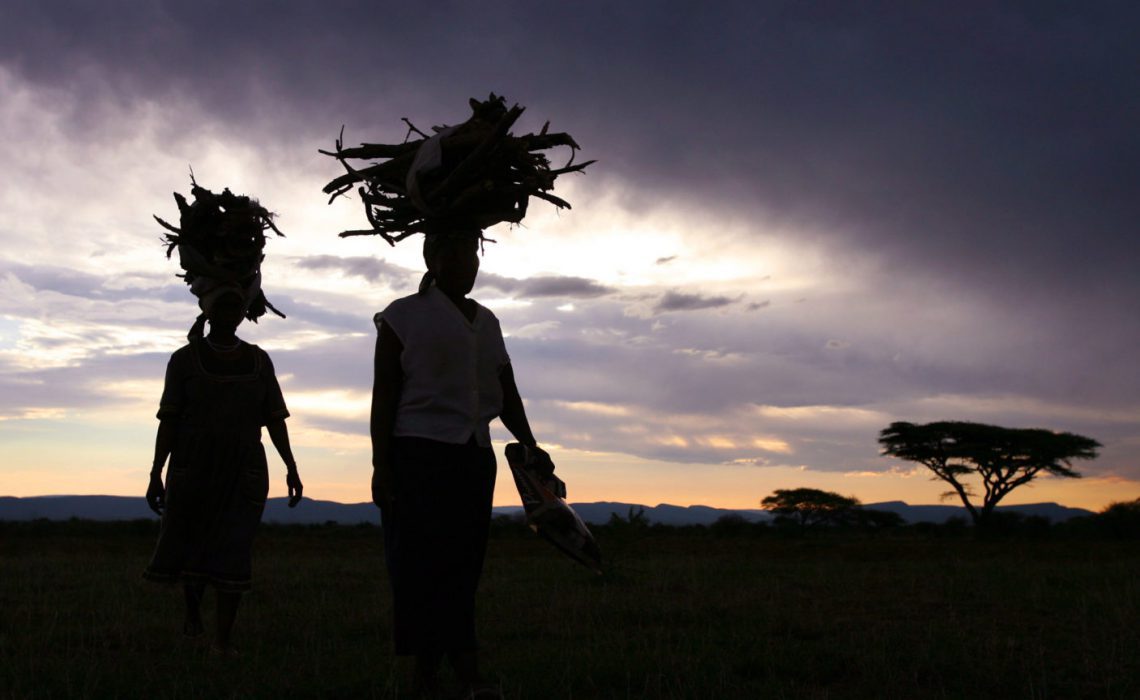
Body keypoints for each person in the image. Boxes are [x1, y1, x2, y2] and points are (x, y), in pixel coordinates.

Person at [371, 229, 545, 697]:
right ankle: (437, 671)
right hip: (417, 454)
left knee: (463, 565)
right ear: (431, 257)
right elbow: (384, 396)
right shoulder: (401, 316)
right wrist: (381, 465)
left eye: (471, 254)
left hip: (474, 456)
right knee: (420, 565)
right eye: (454, 253)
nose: (466, 264)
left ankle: (452, 667)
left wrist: (530, 442)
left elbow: (506, 390)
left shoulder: (487, 322)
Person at [144, 285, 303, 656]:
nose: (231, 313)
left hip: (244, 468)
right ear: (208, 311)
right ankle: (193, 616)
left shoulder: (259, 361)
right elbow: (169, 419)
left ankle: (223, 640)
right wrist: (156, 471)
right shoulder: (184, 360)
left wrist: (291, 466)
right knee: (191, 542)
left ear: (245, 312)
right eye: (224, 306)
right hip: (193, 465)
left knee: (235, 546)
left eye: (237, 306)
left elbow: (275, 419)